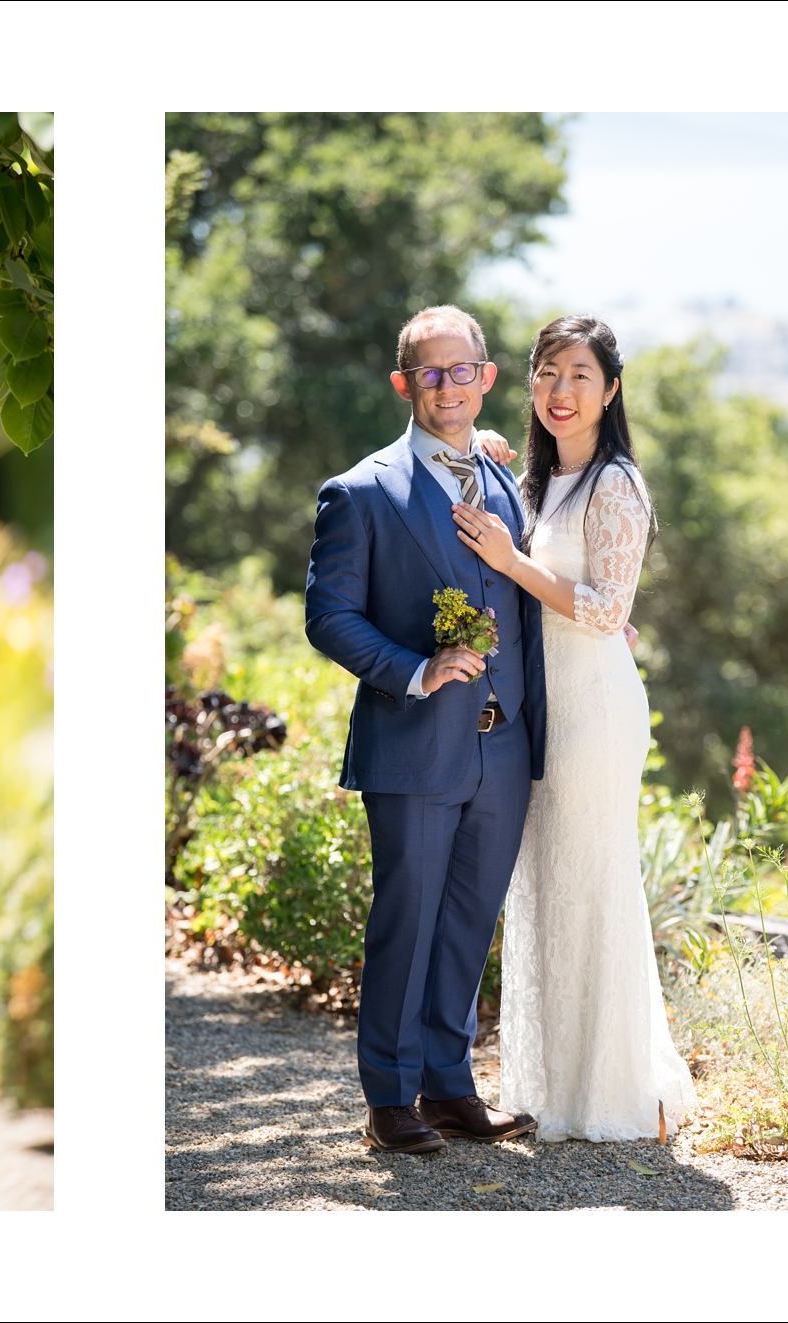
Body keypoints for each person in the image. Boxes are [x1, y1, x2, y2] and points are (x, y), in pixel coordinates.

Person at [303, 305, 548, 1154]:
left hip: (505, 743)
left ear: (485, 378)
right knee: (405, 921)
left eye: (462, 370)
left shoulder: (502, 477)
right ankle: (388, 1098)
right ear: (405, 383)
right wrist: (416, 667)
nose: (447, 386)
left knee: (469, 925)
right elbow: (329, 615)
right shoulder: (362, 490)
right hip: (412, 742)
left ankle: (449, 1086)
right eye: (429, 373)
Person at [449, 315, 696, 1141]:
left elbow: (606, 610)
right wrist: (480, 449)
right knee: (548, 889)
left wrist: (513, 563)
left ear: (610, 389)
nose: (561, 391)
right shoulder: (538, 480)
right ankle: (556, 1087)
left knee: (592, 887)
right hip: (541, 711)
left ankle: (616, 1091)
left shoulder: (616, 484)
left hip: (595, 715)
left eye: (579, 375)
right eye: (547, 373)